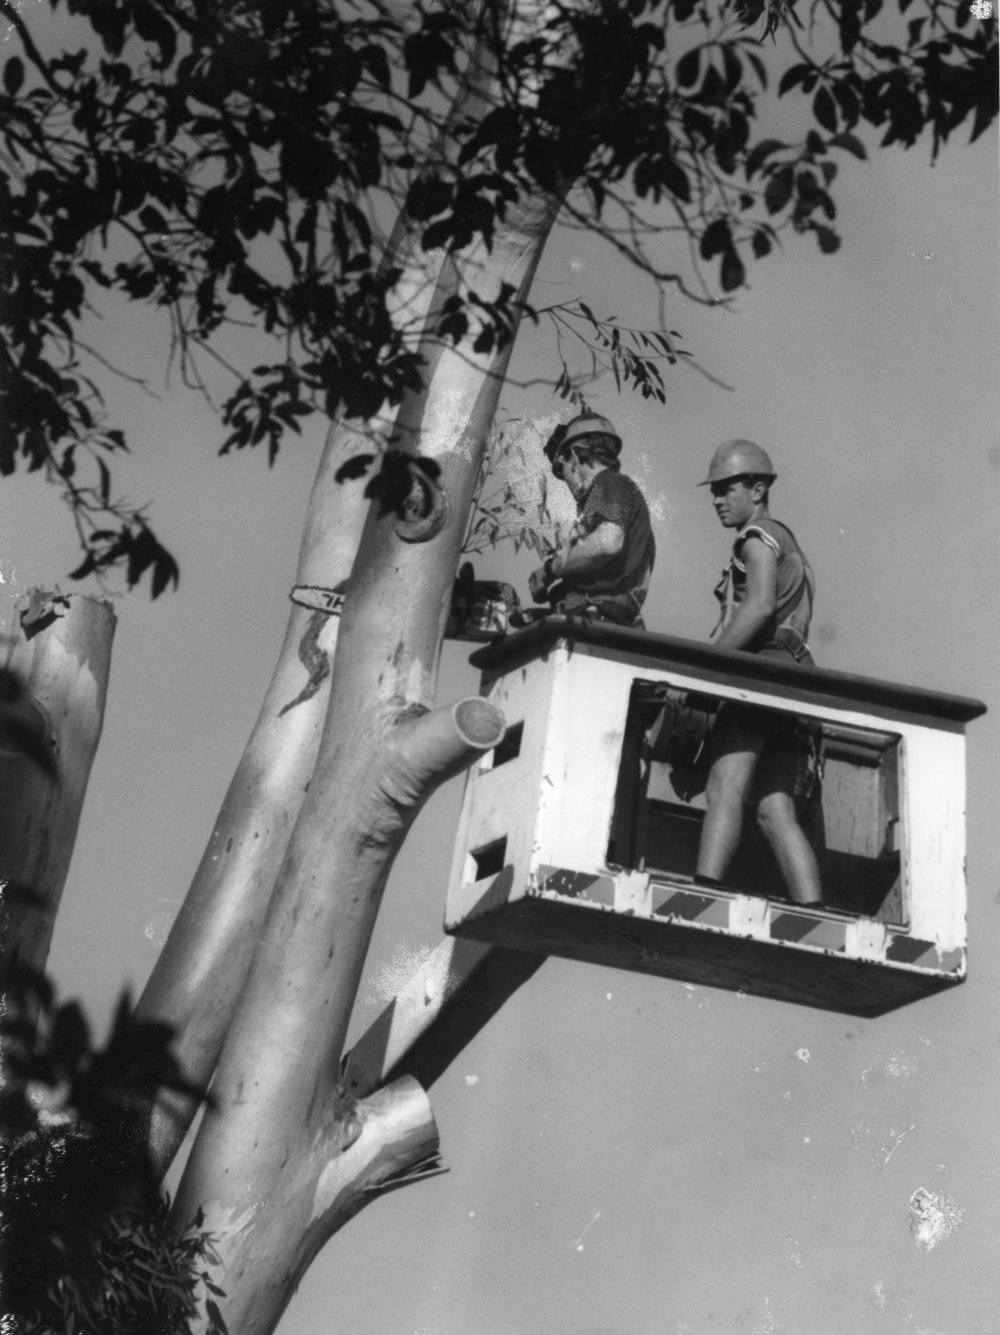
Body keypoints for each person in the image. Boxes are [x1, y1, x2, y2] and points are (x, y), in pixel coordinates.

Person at [694, 439, 823, 907]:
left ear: (759, 488)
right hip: (795, 685)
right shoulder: (791, 545)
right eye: (715, 491)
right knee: (773, 808)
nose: (718, 499)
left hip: (763, 676)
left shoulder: (757, 538)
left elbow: (760, 606)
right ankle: (814, 913)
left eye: (728, 489)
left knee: (723, 786)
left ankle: (702, 895)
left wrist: (706, 672)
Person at [526, 411, 655, 627]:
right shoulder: (617, 492)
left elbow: (606, 543)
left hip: (596, 618)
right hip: (602, 617)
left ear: (574, 457)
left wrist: (551, 569)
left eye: (563, 472)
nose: (566, 483)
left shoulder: (609, 483)